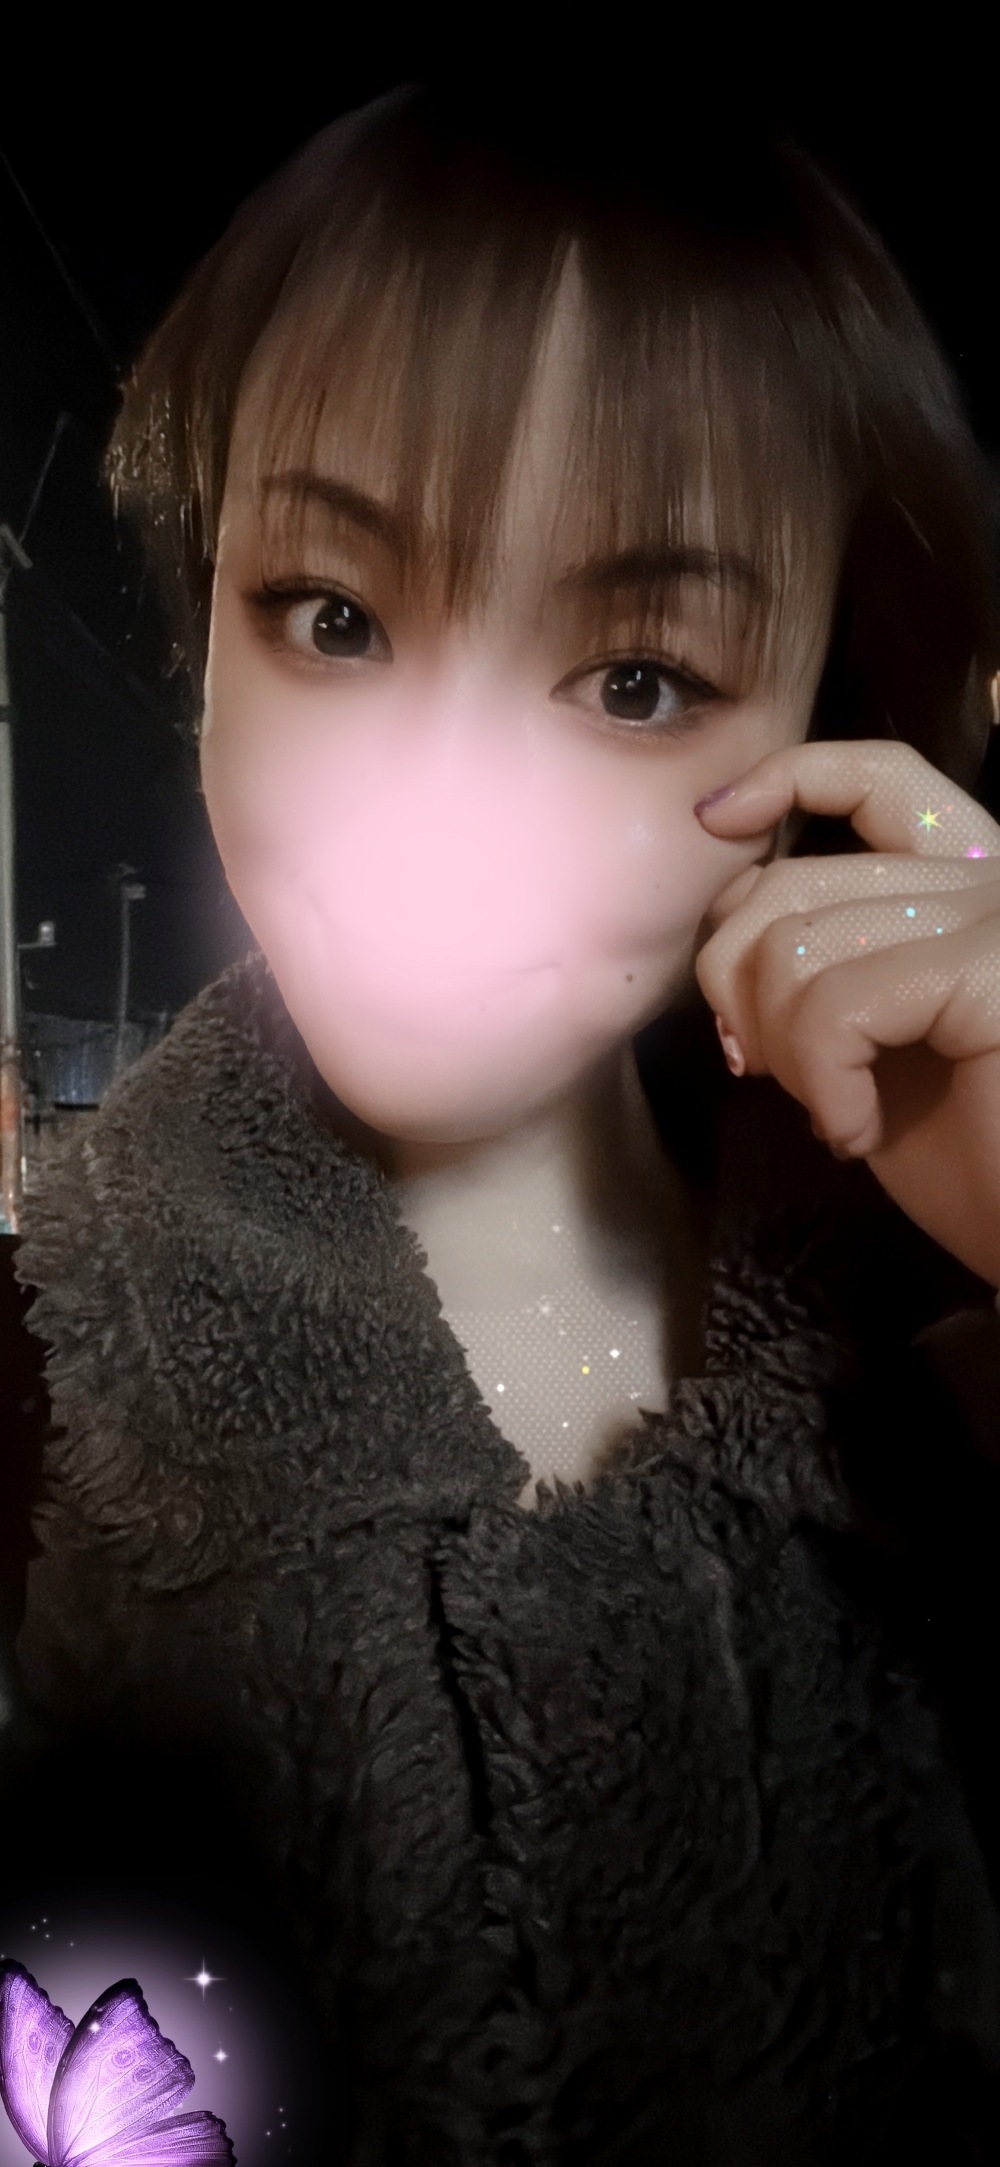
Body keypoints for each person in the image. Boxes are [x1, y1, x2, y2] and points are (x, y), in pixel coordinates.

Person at [4, 77, 1000, 2162]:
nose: (435, 802)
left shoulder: (937, 1344)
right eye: (334, 615)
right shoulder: (35, 1403)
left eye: (637, 677)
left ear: (832, 724)